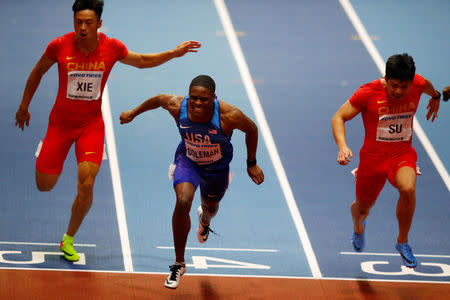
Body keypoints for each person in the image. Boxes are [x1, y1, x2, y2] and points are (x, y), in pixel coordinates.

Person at [14, 0, 201, 262]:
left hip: (91, 126)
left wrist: (173, 53)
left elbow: (142, 61)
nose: (82, 27)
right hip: (60, 124)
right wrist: (24, 106)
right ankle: (48, 151)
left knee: (86, 183)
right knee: (44, 185)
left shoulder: (111, 47)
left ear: (98, 24)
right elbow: (37, 73)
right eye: (78, 22)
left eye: (88, 23)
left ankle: (68, 239)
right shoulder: (59, 45)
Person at [120, 75, 264, 289]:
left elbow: (252, 129)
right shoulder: (178, 106)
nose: (197, 103)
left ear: (214, 98)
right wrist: (133, 113)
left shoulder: (229, 115)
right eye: (194, 98)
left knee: (210, 208)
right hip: (188, 161)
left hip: (216, 169)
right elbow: (158, 99)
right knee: (183, 199)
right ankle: (179, 263)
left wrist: (251, 163)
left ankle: (204, 221)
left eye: (204, 100)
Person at [331, 53, 441, 268]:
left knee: (408, 188)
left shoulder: (418, 83)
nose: (399, 91)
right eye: (394, 86)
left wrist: (436, 97)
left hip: (402, 155)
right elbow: (338, 117)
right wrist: (342, 147)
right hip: (372, 161)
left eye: (404, 86)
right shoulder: (368, 92)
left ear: (411, 82)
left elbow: (427, 85)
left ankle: (402, 241)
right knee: (362, 209)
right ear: (386, 78)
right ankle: (358, 227)